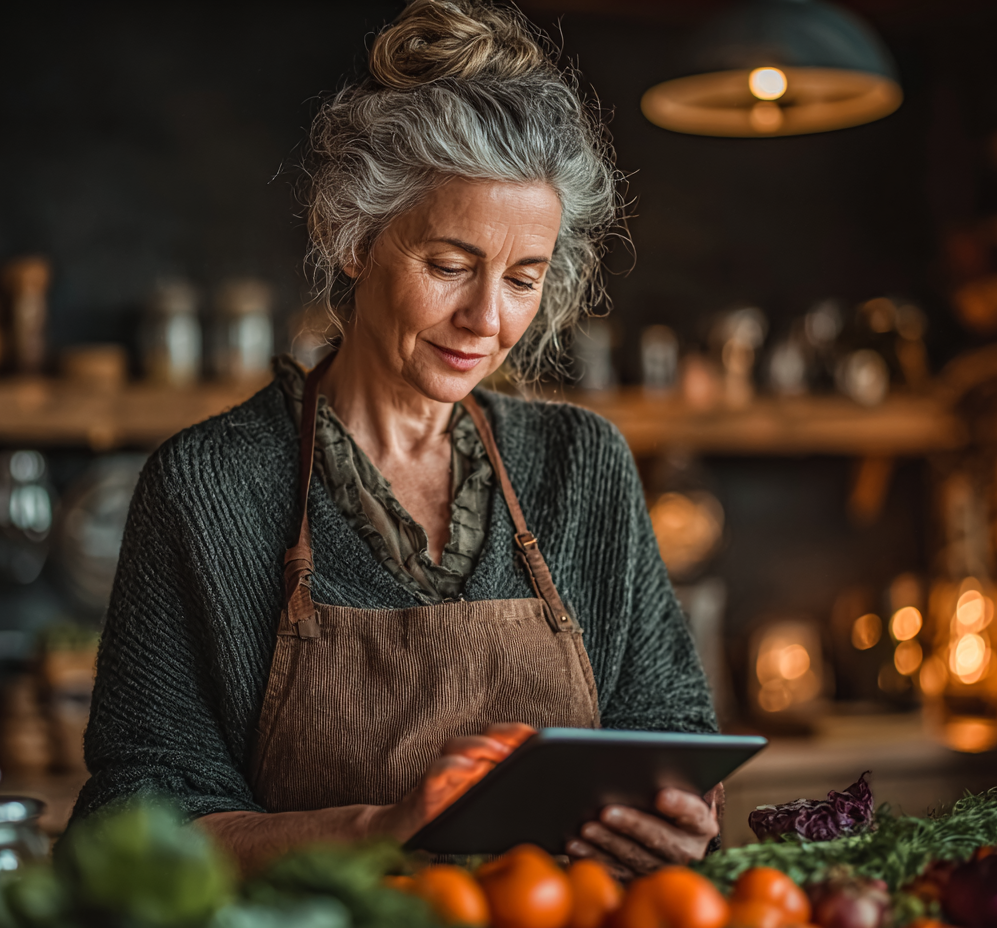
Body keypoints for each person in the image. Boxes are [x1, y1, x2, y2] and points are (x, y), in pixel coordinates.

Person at [71, 0, 720, 880]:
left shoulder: (583, 466)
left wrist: (682, 818)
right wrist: (381, 827)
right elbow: (134, 822)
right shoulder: (211, 487)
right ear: (355, 237)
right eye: (448, 265)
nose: (486, 321)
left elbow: (674, 737)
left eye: (524, 278)